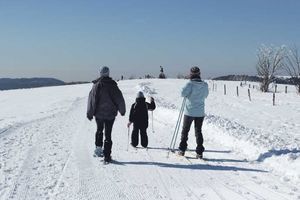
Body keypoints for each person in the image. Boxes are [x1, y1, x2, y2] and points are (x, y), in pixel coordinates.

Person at [87, 66, 126, 163]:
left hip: (99, 115)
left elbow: (92, 100)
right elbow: (119, 98)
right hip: (110, 115)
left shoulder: (96, 85)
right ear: (108, 73)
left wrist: (90, 113)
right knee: (108, 134)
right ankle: (107, 156)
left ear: (100, 73)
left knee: (99, 130)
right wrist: (122, 110)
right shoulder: (113, 85)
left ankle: (98, 149)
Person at [178, 66, 208, 159]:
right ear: (199, 74)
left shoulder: (189, 84)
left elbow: (182, 93)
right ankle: (199, 152)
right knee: (198, 131)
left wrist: (189, 95)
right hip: (200, 112)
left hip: (189, 112)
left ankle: (182, 149)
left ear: (191, 74)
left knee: (185, 130)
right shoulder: (205, 85)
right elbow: (206, 95)